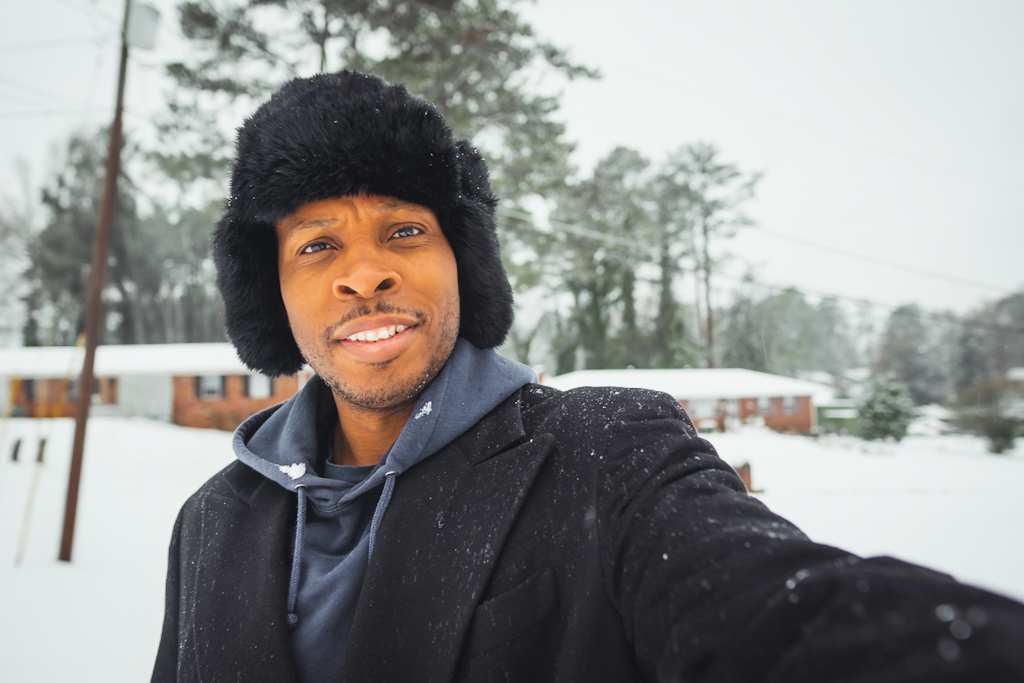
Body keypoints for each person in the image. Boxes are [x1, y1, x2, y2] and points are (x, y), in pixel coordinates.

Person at [152, 70, 1024, 683]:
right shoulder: (210, 523)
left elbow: (780, 612)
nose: (365, 273)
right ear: (272, 292)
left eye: (406, 231)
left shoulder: (611, 455)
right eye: (317, 245)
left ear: (466, 261)